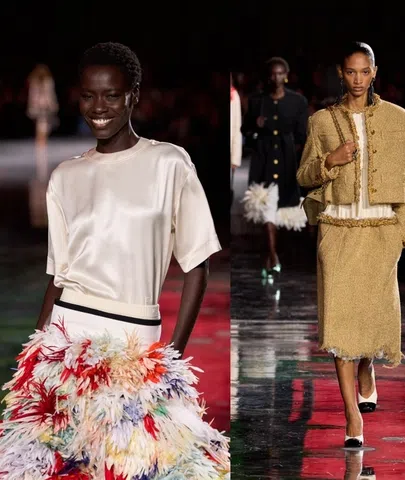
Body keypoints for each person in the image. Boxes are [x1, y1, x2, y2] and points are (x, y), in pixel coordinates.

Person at [0, 42, 230, 479]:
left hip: (135, 345)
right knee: (56, 466)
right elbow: (59, 276)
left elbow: (197, 266)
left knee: (142, 466)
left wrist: (171, 358)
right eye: (89, 95)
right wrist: (33, 357)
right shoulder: (65, 176)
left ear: (133, 95)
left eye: (111, 95)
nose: (98, 107)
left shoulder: (169, 163)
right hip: (66, 341)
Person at [296, 41, 405, 448]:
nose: (358, 79)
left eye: (365, 71)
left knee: (371, 316)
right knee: (339, 321)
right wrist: (330, 160)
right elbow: (304, 176)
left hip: (381, 229)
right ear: (340, 74)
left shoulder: (400, 119)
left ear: (375, 72)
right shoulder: (321, 121)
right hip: (338, 228)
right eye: (351, 72)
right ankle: (352, 415)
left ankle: (367, 366)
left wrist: (403, 230)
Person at [242, 57, 309, 281]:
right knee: (267, 207)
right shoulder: (257, 101)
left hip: (287, 161)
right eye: (272, 74)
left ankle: (270, 257)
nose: (276, 78)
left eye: (280, 73)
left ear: (286, 76)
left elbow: (302, 134)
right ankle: (273, 256)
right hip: (264, 159)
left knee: (283, 213)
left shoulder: (297, 102)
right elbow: (245, 131)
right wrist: (256, 126)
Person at [26, 63, 59, 148]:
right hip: (44, 104)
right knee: (43, 123)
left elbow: (33, 94)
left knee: (41, 123)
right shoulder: (46, 81)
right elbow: (49, 94)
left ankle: (41, 140)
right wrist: (52, 103)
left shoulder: (36, 81)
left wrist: (32, 104)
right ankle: (42, 140)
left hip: (38, 104)